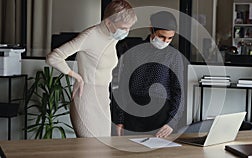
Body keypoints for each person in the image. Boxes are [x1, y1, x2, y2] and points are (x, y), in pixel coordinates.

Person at [46, 0, 137, 138]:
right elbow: (53, 57)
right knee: (89, 149)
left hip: (103, 99)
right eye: (124, 28)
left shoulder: (112, 37)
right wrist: (77, 77)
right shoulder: (89, 36)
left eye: (129, 28)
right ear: (108, 22)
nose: (126, 32)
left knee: (103, 149)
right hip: (86, 99)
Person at [111, 11, 185, 138]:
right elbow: (123, 87)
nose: (165, 41)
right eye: (162, 36)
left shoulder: (174, 55)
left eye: (170, 38)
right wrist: (119, 119)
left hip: (161, 118)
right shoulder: (133, 51)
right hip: (133, 114)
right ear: (152, 29)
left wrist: (172, 122)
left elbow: (179, 92)